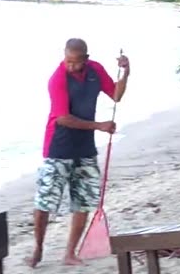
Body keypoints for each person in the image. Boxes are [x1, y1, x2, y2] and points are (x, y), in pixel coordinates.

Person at [30, 38, 129, 268]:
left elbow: (116, 94)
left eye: (76, 61)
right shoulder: (57, 79)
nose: (71, 66)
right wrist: (99, 125)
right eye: (68, 61)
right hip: (58, 146)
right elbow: (63, 118)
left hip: (85, 147)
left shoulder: (95, 69)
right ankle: (38, 247)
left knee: (83, 201)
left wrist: (126, 72)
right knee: (46, 201)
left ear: (86, 58)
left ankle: (70, 253)